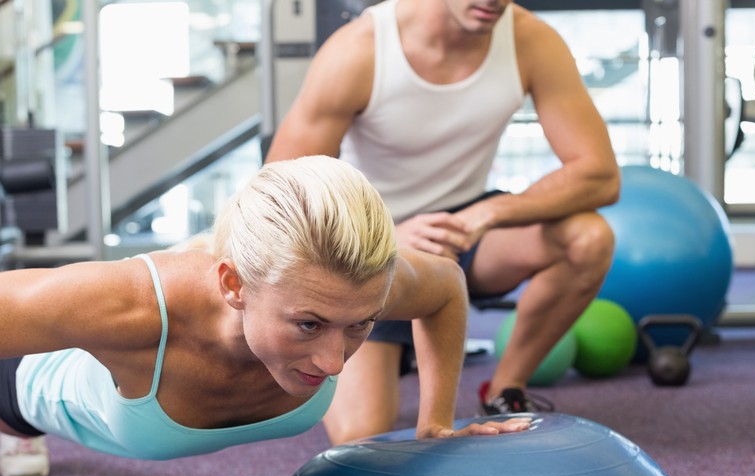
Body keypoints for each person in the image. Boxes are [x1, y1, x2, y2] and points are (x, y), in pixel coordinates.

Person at [0, 156, 530, 476]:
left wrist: (435, 420)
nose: (334, 362)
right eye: (308, 325)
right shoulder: (127, 304)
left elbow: (444, 287)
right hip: (38, 374)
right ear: (233, 285)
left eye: (359, 325)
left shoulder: (353, 284)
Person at [265, 0, 621, 445]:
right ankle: (385, 348)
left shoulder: (531, 40)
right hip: (364, 247)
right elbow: (279, 190)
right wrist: (383, 237)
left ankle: (504, 390)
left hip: (466, 228)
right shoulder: (361, 49)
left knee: (587, 238)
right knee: (365, 443)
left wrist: (489, 213)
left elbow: (600, 173)